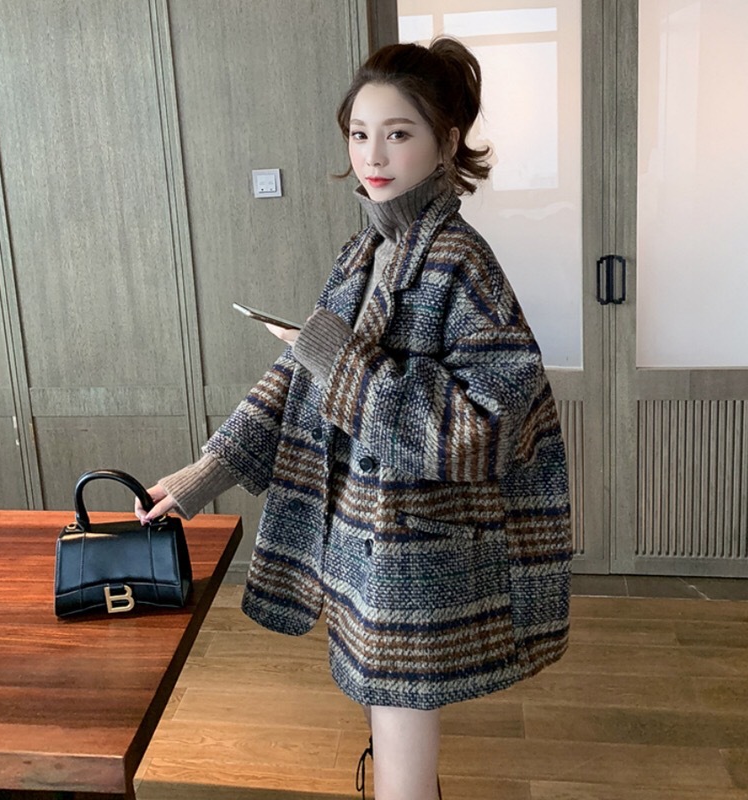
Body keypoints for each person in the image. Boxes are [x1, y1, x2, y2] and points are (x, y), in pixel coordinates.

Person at [136, 36, 572, 800]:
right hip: (362, 539)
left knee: (401, 736)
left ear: (447, 143)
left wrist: (338, 360)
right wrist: (205, 474)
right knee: (387, 722)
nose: (373, 155)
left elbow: (485, 429)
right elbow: (297, 377)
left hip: (419, 550)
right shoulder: (363, 250)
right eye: (360, 132)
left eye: (398, 133)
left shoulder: (462, 262)